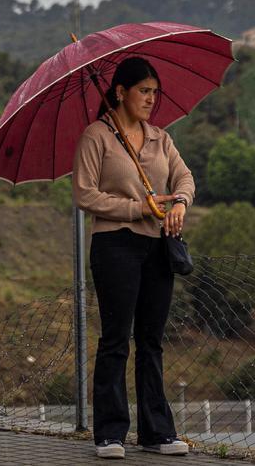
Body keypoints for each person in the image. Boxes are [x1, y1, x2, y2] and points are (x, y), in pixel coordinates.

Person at [72, 56, 195, 459]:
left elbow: (184, 177)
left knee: (151, 341)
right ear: (120, 92)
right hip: (115, 245)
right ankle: (109, 433)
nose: (151, 100)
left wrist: (179, 202)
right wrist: (138, 207)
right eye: (144, 91)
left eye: (155, 93)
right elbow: (84, 195)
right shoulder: (97, 136)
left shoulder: (161, 137)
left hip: (157, 248)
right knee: (115, 339)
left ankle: (157, 433)